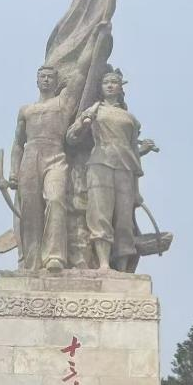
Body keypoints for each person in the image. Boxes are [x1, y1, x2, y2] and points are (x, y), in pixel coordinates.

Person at [8, 22, 111, 272]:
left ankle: (55, 256)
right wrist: (13, 171)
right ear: (37, 81)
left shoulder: (64, 102)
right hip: (30, 158)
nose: (46, 80)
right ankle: (32, 261)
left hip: (55, 157)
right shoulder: (26, 110)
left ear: (56, 82)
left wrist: (94, 38)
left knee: (55, 200)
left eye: (50, 77)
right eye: (42, 77)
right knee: (31, 211)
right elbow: (18, 144)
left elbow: (81, 69)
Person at [66, 66, 158, 272]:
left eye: (114, 82)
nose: (109, 85)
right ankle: (103, 264)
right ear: (100, 87)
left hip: (125, 169)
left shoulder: (130, 119)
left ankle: (122, 267)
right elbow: (71, 138)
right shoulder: (94, 110)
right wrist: (84, 123)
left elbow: (133, 153)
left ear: (120, 88)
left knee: (124, 220)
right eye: (106, 82)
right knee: (101, 214)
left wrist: (137, 189)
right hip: (100, 164)